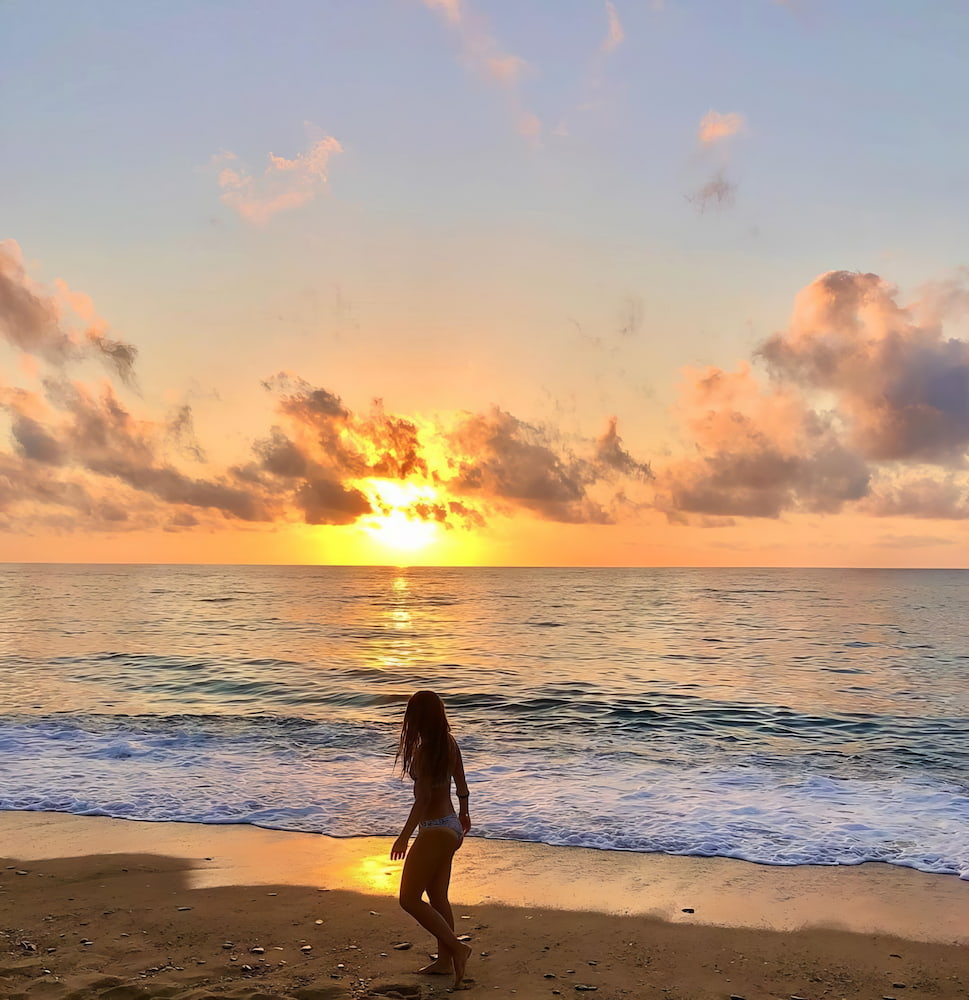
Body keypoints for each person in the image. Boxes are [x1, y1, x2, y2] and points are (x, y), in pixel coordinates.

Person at [391, 690, 472, 989]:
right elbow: (461, 783)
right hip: (451, 826)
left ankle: (457, 948)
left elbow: (423, 800)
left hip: (434, 829)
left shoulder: (425, 751)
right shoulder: (449, 743)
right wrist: (464, 813)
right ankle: (444, 962)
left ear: (416, 718)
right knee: (437, 897)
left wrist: (403, 837)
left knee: (409, 899)